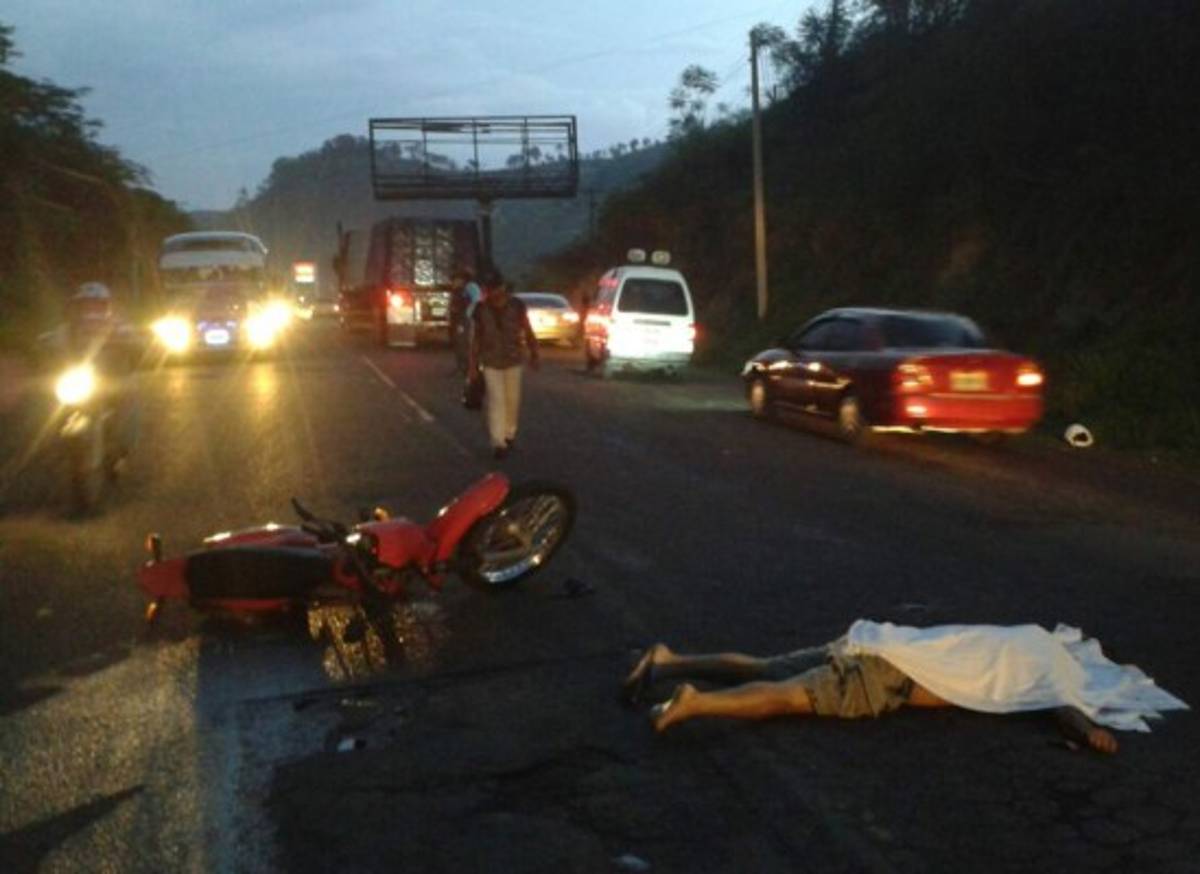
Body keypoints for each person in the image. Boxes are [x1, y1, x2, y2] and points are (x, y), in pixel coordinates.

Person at [622, 620, 1190, 755]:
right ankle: (695, 702)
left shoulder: (1026, 636)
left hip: (877, 641)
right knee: (789, 698)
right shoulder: (1053, 669)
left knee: (765, 666)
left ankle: (672, 660)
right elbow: (1063, 707)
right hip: (888, 676)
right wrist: (1089, 730)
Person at [58, 282, 141, 460]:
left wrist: (130, 342)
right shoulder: (69, 327)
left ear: (106, 305)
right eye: (86, 303)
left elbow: (136, 341)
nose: (91, 308)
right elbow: (53, 341)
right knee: (61, 402)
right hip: (82, 377)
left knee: (128, 404)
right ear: (77, 306)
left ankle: (123, 443)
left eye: (96, 303)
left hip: (116, 377)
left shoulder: (119, 325)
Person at [467, 268, 539, 460]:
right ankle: (498, 442)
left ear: (503, 287)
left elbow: (527, 329)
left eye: (495, 288)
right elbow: (476, 340)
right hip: (490, 361)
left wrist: (534, 352)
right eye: (489, 289)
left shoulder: (517, 306)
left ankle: (509, 434)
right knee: (496, 400)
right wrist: (472, 367)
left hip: (513, 359)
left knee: (512, 400)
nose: (493, 293)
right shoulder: (480, 310)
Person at [449, 267, 482, 374]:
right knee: (459, 343)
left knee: (465, 342)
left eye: (457, 279)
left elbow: (476, 302)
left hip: (466, 319)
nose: (455, 281)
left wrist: (468, 315)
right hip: (459, 319)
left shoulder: (470, 288)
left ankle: (468, 366)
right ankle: (462, 366)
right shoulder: (459, 290)